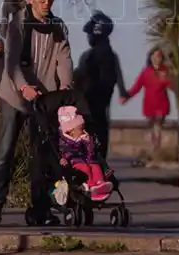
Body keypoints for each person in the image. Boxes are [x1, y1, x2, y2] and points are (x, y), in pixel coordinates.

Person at [0, 0, 73, 225]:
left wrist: (65, 86)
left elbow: (64, 59)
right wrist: (24, 87)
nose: (46, 4)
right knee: (6, 150)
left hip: (43, 99)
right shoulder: (17, 25)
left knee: (42, 154)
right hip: (15, 95)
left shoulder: (57, 26)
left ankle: (40, 210)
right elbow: (12, 63)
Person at [73, 11, 127, 159]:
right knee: (101, 131)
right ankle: (99, 161)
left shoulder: (89, 56)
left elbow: (80, 76)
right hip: (103, 102)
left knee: (90, 133)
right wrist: (122, 92)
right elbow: (118, 75)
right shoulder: (111, 55)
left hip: (88, 101)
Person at [121, 47, 172, 156]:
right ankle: (154, 151)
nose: (156, 59)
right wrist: (126, 96)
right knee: (152, 128)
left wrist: (166, 79)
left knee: (158, 127)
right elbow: (136, 87)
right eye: (154, 57)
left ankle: (157, 150)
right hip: (149, 105)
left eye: (158, 57)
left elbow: (172, 86)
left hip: (162, 104)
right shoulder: (146, 72)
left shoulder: (165, 71)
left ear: (161, 58)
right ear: (150, 58)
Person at [57, 105, 113, 201]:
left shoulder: (85, 138)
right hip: (75, 162)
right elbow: (64, 152)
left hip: (88, 159)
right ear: (71, 131)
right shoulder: (64, 142)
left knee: (95, 166)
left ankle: (100, 183)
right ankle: (91, 185)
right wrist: (63, 159)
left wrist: (88, 142)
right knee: (84, 168)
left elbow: (91, 151)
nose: (83, 131)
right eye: (80, 129)